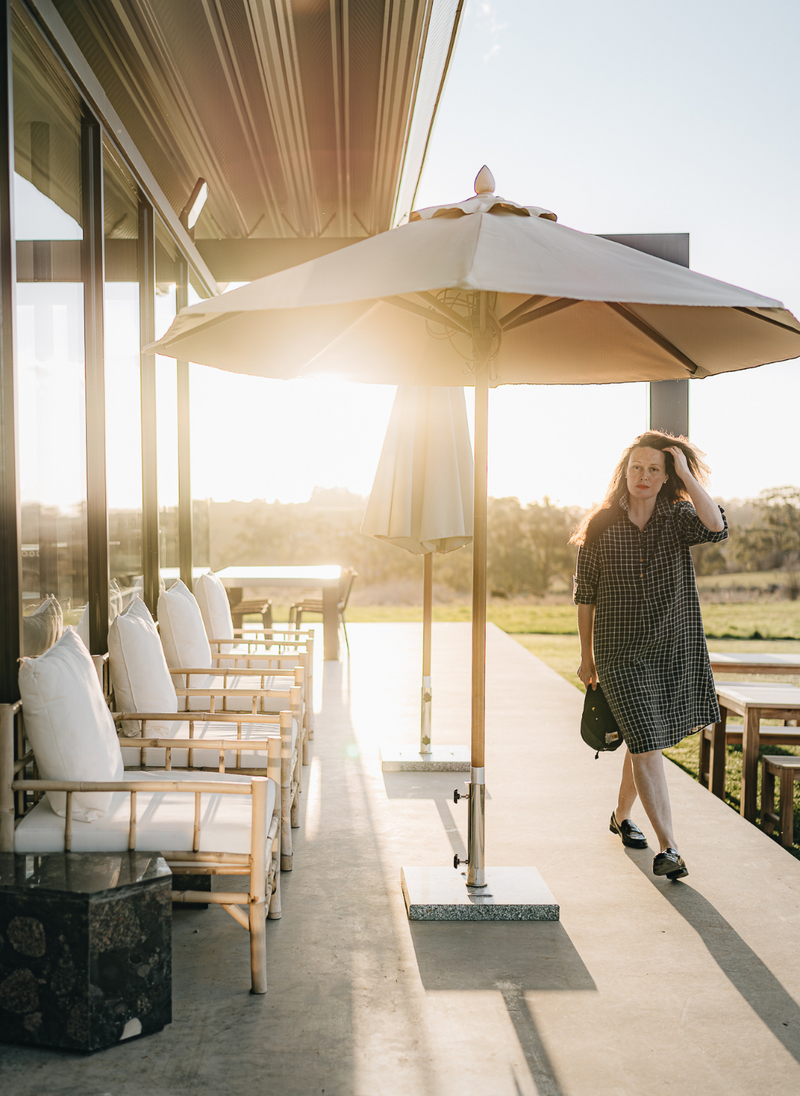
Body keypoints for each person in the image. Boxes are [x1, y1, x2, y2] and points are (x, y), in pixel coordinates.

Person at [571, 431, 727, 879]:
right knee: (645, 739)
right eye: (636, 467)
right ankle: (670, 848)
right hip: (619, 653)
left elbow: (716, 526)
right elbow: (586, 595)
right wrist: (587, 655)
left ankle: (621, 816)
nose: (643, 476)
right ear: (625, 472)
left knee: (645, 742)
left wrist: (685, 473)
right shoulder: (600, 524)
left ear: (666, 477)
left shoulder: (678, 517)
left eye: (654, 469)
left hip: (671, 648)